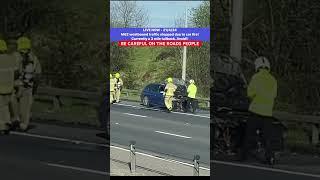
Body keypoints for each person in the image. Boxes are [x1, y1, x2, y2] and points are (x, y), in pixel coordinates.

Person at [240, 56, 277, 165]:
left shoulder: (256, 77)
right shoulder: (273, 79)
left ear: (257, 66)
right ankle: (270, 158)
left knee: (249, 135)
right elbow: (274, 95)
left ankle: (243, 156)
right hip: (268, 113)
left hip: (255, 111)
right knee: (267, 138)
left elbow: (249, 93)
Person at [13, 36, 42, 132]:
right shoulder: (34, 58)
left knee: (13, 104)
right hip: (28, 86)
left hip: (15, 85)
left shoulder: (14, 56)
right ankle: (23, 125)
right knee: (26, 109)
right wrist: (34, 88)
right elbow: (38, 75)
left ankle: (14, 120)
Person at [0, 39, 16, 135]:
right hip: (9, 87)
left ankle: (3, 126)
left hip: (0, 88)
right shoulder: (11, 58)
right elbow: (16, 71)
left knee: (1, 107)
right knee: (5, 106)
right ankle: (8, 122)